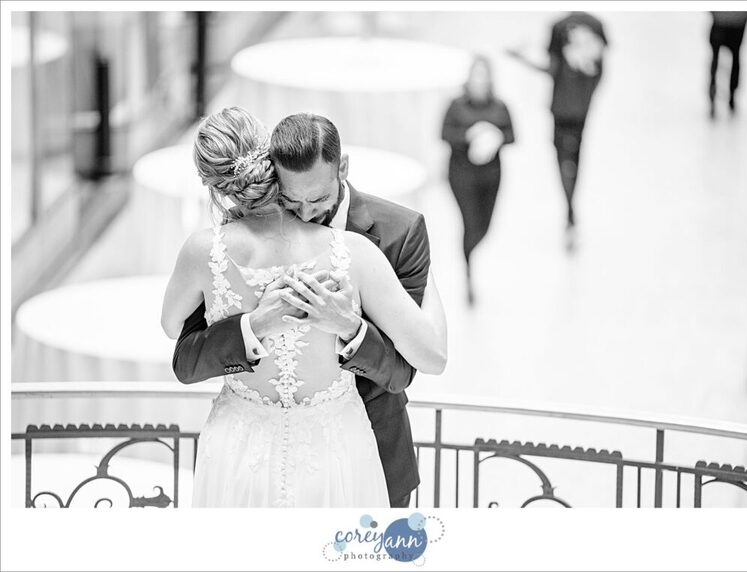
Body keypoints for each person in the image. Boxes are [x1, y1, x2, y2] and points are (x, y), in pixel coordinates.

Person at [163, 109, 446, 508]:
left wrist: (348, 324)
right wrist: (253, 324)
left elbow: (413, 365)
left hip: (358, 448)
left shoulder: (397, 234)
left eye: (317, 199)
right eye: (292, 200)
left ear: (341, 169)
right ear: (273, 174)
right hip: (247, 451)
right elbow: (186, 350)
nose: (307, 212)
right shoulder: (220, 249)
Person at [507, 11, 608, 241]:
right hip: (571, 112)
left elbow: (553, 66)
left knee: (566, 160)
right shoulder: (577, 28)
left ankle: (570, 207)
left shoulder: (577, 29)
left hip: (568, 112)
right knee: (570, 160)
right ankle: (570, 206)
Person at [441, 55, 515, 305]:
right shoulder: (456, 105)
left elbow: (512, 135)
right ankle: (468, 269)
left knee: (485, 225)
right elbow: (444, 134)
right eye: (476, 75)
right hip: (461, 175)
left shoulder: (500, 106)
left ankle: (470, 255)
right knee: (470, 222)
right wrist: (468, 136)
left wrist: (493, 137)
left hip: (491, 175)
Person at [708, 11, 747, 118]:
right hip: (737, 22)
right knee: (735, 58)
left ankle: (716, 92)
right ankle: (730, 96)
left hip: (723, 21)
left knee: (717, 59)